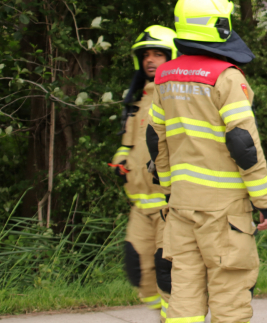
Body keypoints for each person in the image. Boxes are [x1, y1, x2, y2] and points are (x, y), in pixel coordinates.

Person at [147, 0, 267, 323]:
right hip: (224, 210)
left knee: (184, 293)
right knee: (230, 294)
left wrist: (169, 190)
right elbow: (243, 144)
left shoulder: (165, 77)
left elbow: (154, 138)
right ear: (219, 25)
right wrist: (264, 202)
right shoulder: (226, 77)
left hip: (182, 206)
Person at [112, 25, 177, 319]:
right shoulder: (138, 102)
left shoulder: (177, 98)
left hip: (168, 206)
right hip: (139, 205)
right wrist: (121, 161)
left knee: (169, 276)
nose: (150, 60)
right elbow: (128, 144)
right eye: (146, 55)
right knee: (138, 272)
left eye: (158, 54)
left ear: (173, 57)